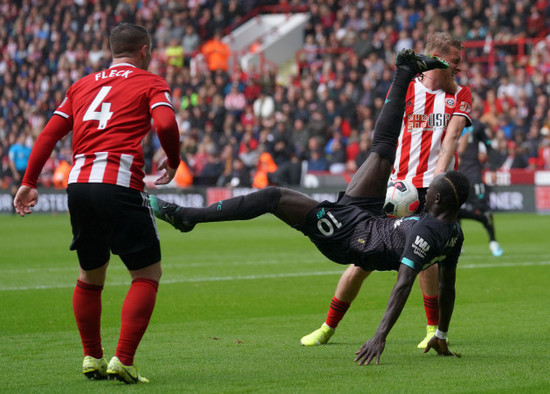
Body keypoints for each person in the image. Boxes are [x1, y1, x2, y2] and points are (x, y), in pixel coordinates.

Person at [151, 50, 468, 365]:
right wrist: (441, 334)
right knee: (384, 151)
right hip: (367, 218)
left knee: (273, 197)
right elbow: (448, 286)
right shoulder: (454, 233)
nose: (424, 192)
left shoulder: (425, 232)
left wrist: (380, 335)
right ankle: (404, 70)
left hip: (350, 237)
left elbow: (402, 286)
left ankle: (187, 217)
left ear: (437, 200)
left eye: (431, 190)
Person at [13, 23, 181, 384]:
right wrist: (174, 158)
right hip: (118, 183)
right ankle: (124, 359)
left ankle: (92, 356)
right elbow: (166, 123)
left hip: (78, 186)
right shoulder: (150, 82)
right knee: (147, 274)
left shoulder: (82, 85)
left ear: (111, 49)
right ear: (145, 50)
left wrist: (29, 182)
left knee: (90, 273)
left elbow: (48, 134)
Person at [300, 32, 473, 350]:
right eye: (455, 61)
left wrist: (438, 181)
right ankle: (328, 326)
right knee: (362, 259)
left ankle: (432, 330)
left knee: (427, 260)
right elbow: (388, 130)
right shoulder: (407, 87)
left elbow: (450, 140)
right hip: (394, 188)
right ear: (438, 58)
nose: (461, 68)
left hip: (430, 190)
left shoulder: (460, 95)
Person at [457, 116, 503, 256]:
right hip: (454, 174)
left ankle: (493, 241)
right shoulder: (446, 120)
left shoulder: (477, 125)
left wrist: (493, 169)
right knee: (453, 210)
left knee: (483, 208)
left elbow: (489, 147)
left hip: (473, 175)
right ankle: (457, 244)